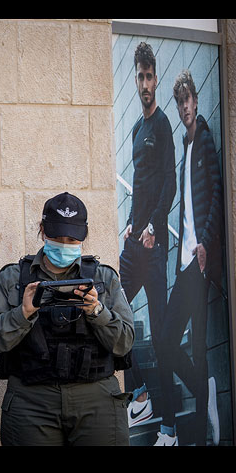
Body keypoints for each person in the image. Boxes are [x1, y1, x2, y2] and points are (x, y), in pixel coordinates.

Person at [0, 192, 134, 446]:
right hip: (32, 401)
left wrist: (96, 310)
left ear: (84, 235)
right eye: (56, 236)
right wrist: (23, 312)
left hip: (95, 399)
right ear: (42, 230)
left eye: (71, 238)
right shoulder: (13, 278)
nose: (64, 243)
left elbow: (125, 342)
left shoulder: (104, 278)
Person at [153, 69, 224, 446]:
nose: (183, 107)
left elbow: (215, 194)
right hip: (184, 264)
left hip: (199, 261)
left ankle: (200, 424)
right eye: (179, 102)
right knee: (166, 340)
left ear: (196, 100)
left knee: (189, 345)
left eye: (187, 100)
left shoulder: (206, 139)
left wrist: (205, 243)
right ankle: (205, 388)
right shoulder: (185, 143)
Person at [120, 42, 176, 429]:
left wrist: (156, 225)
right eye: (139, 76)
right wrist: (130, 221)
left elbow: (169, 183)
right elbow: (139, 187)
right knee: (112, 313)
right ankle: (139, 395)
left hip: (155, 250)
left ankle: (170, 427)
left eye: (149, 76)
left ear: (157, 79)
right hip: (134, 243)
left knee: (160, 339)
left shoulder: (162, 125)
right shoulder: (138, 128)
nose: (144, 83)